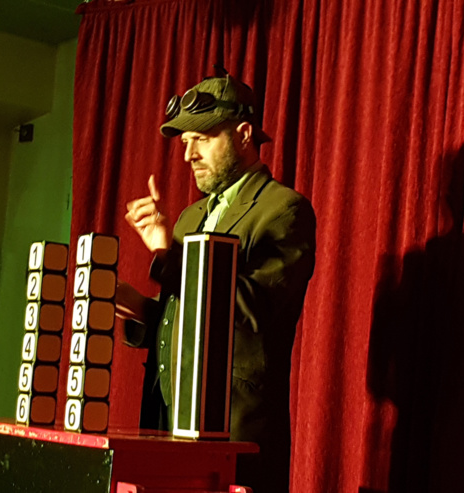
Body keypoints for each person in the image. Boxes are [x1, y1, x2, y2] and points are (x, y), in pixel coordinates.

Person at [117, 72, 316, 491]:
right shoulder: (190, 217)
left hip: (233, 431)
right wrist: (139, 308)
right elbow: (192, 321)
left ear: (243, 135)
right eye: (185, 142)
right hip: (169, 424)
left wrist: (167, 255)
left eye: (202, 138)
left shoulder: (283, 209)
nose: (189, 154)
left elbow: (253, 310)